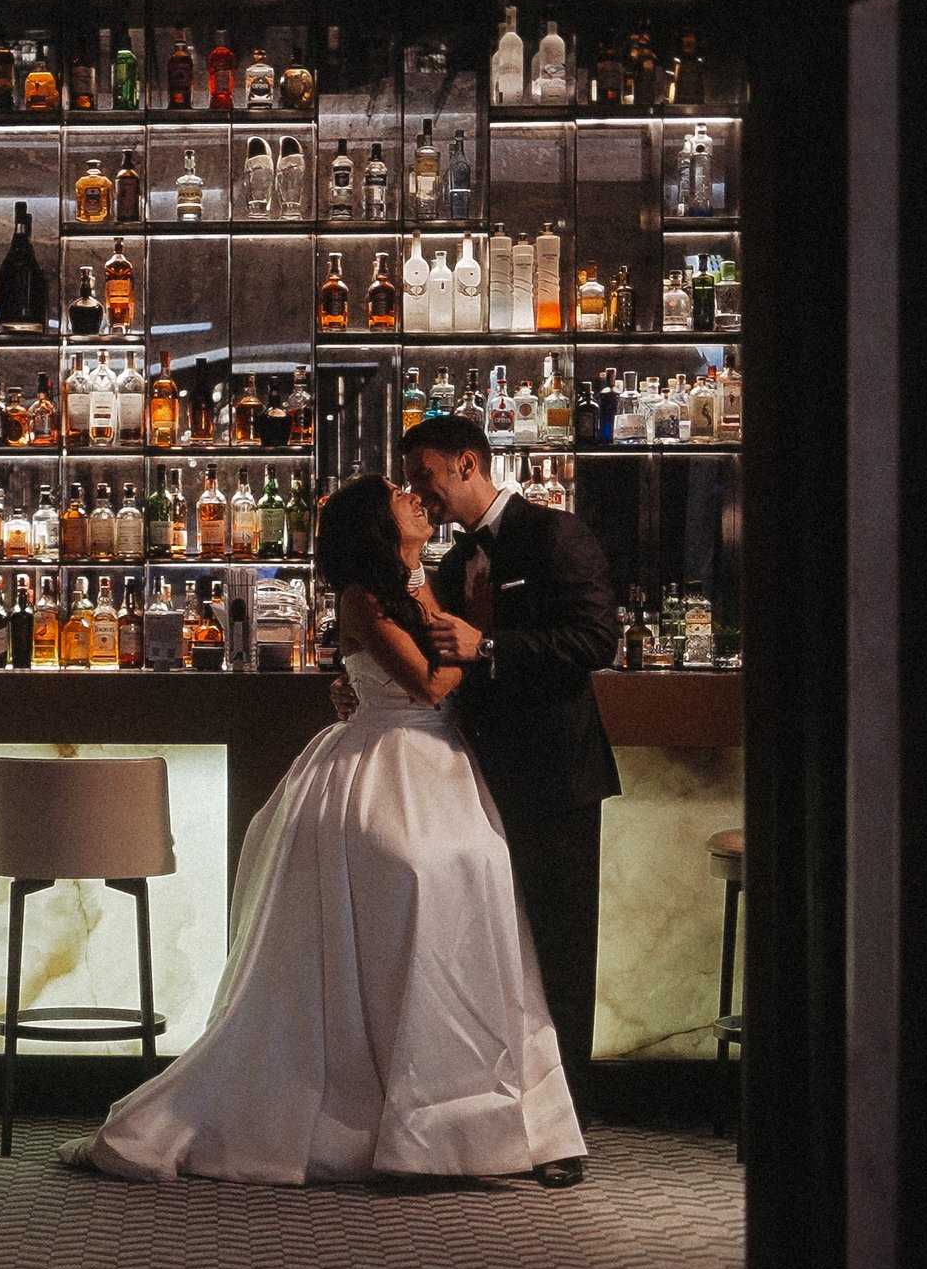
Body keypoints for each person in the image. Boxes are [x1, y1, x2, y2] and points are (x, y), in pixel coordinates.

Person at [57, 475, 585, 1186]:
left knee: (473, 889)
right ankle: (402, 1110)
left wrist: (457, 637)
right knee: (414, 873)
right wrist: (478, 637)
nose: (416, 499)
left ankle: (479, 1118)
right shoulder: (363, 597)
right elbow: (430, 682)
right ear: (376, 525)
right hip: (386, 764)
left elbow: (428, 668)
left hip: (441, 765)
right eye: (400, 496)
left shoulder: (419, 581)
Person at [388, 414, 621, 1184]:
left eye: (424, 475)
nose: (419, 491)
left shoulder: (556, 535)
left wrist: (488, 646)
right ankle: (505, 1118)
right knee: (496, 953)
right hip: (477, 781)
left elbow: (594, 642)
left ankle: (566, 1136)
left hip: (555, 779)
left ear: (467, 462)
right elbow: (442, 664)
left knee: (560, 955)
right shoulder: (457, 561)